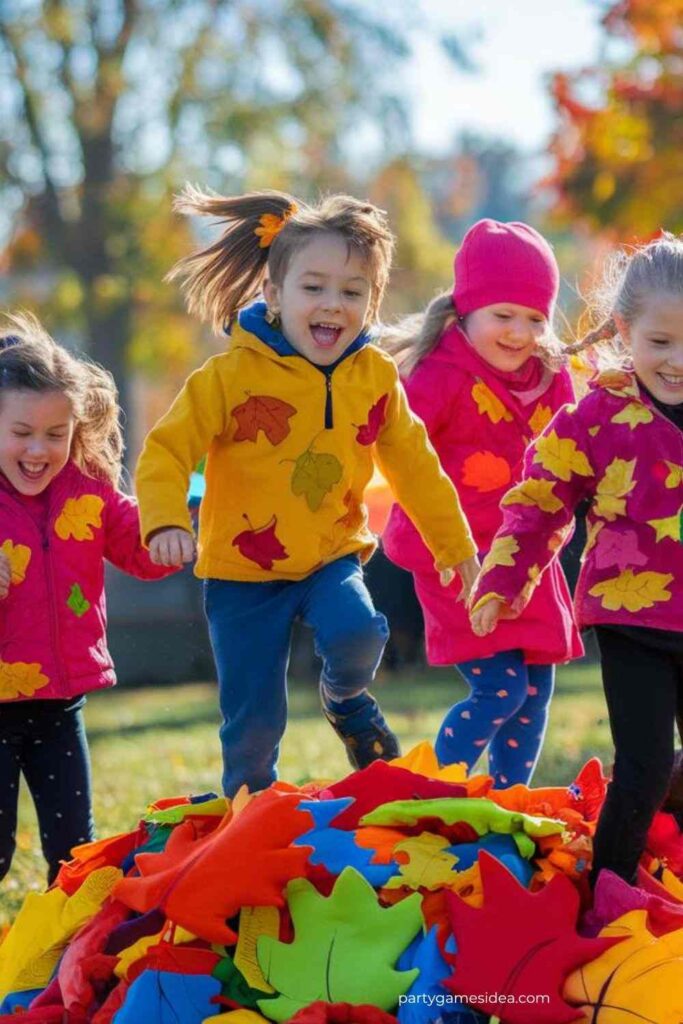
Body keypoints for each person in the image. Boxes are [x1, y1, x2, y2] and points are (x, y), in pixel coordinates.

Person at [135, 187, 479, 798]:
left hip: (329, 554)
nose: (333, 305)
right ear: (273, 294)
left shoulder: (374, 378)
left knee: (358, 632)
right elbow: (165, 450)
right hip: (241, 572)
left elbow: (417, 466)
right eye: (313, 287)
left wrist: (455, 548)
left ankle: (345, 699)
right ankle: (249, 808)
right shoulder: (226, 377)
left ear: (372, 301)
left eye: (353, 292)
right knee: (254, 720)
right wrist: (164, 521)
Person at [470, 233, 683, 885]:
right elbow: (538, 501)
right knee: (643, 764)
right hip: (634, 622)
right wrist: (503, 578)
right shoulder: (594, 418)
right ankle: (607, 891)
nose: (676, 361)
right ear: (623, 330)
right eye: (659, 343)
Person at [382, 219, 583, 787]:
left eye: (535, 318)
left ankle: (509, 797)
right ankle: (432, 790)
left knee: (536, 688)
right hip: (458, 558)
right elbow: (396, 442)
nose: (520, 333)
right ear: (465, 313)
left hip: (527, 559)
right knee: (501, 687)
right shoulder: (439, 376)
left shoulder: (552, 377)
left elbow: (574, 447)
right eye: (503, 315)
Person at [0, 315, 173, 885]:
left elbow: (139, 548)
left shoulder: (89, 489)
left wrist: (174, 532)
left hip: (59, 706)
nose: (37, 449)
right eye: (21, 431)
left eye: (55, 434)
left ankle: (65, 959)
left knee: (76, 854)